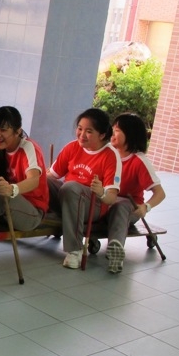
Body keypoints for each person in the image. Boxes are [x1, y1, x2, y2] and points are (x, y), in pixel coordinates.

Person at [47, 108, 122, 269]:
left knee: (70, 187)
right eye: (80, 129)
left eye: (89, 131)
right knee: (43, 180)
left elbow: (111, 198)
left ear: (102, 135)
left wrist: (101, 191)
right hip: (67, 197)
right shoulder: (72, 147)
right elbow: (52, 175)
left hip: (94, 205)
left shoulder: (110, 155)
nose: (81, 135)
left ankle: (74, 250)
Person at [0, 106, 49, 237]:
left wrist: (12, 189)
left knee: (2, 194)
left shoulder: (28, 147)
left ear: (18, 131)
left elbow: (34, 180)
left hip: (31, 212)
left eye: (3, 130)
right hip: (5, 206)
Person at [104, 113, 165, 273]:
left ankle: (115, 251)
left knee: (120, 206)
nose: (112, 133)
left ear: (130, 134)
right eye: (112, 129)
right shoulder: (108, 153)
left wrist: (146, 207)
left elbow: (160, 193)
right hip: (106, 200)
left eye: (117, 130)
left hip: (128, 207)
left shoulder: (139, 161)